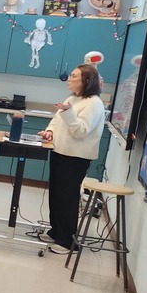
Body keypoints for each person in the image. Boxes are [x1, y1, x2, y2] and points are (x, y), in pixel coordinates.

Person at [38, 64, 105, 255]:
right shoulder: (73, 98)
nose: (69, 78)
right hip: (60, 151)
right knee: (56, 195)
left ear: (86, 81)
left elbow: (80, 131)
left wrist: (68, 112)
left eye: (74, 76)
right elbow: (56, 120)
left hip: (76, 157)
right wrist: (49, 131)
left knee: (67, 197)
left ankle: (68, 241)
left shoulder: (93, 103)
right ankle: (56, 232)